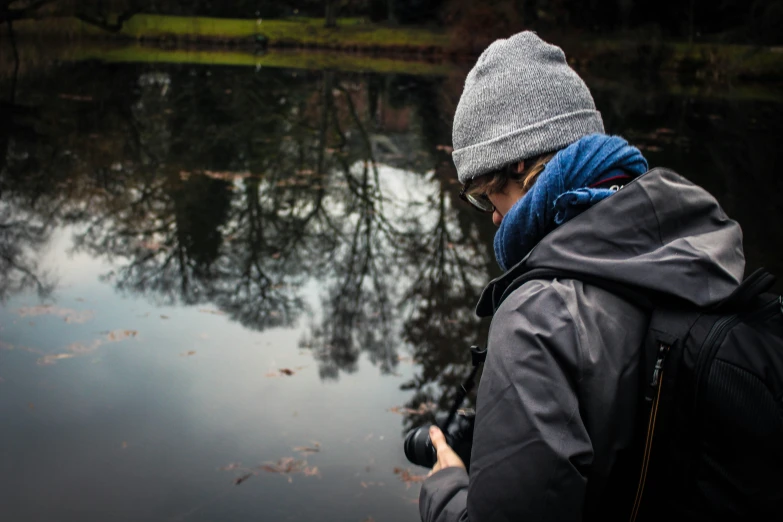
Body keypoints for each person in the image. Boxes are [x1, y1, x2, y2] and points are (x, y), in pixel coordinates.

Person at [418, 31, 745, 521]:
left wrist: (444, 491)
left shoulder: (538, 318)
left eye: (487, 195)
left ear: (522, 165)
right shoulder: (702, 244)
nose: (490, 216)